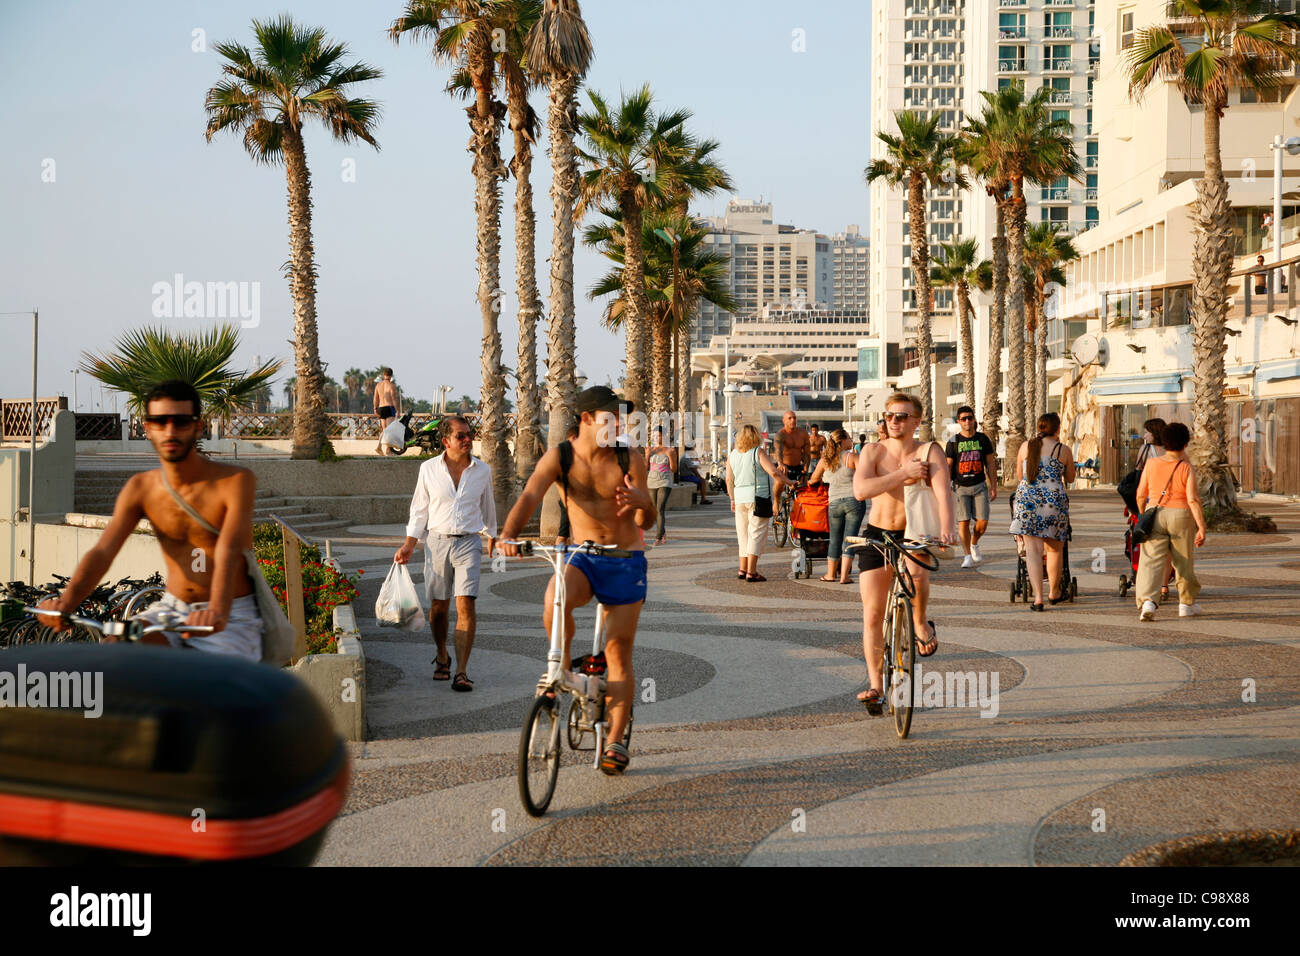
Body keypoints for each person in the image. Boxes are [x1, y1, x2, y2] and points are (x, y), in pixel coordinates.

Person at [38, 380, 265, 659]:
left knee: (213, 692)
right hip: (171, 608)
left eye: (181, 421)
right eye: (159, 421)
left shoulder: (234, 481)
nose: (170, 431)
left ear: (197, 426)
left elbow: (228, 550)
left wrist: (217, 609)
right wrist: (66, 602)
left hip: (229, 616)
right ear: (147, 428)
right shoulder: (141, 488)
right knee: (115, 650)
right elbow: (102, 552)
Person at [499, 386, 654, 775]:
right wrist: (507, 536)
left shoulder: (628, 457)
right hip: (584, 556)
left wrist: (644, 506)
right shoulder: (560, 457)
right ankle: (562, 673)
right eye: (611, 417)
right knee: (555, 596)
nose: (618, 423)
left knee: (618, 652)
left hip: (625, 559)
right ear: (586, 419)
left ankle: (616, 741)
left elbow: (647, 522)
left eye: (620, 417)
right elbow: (530, 496)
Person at [852, 392, 957, 713]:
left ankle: (921, 621)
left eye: (901, 416)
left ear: (916, 421)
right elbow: (860, 491)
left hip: (916, 533)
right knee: (872, 614)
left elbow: (943, 493)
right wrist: (902, 474)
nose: (893, 421)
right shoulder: (872, 452)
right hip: (878, 534)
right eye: (889, 416)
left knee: (917, 575)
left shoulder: (930, 451)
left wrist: (947, 528)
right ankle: (875, 685)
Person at [394, 415, 496, 692]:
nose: (467, 439)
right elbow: (419, 509)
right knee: (439, 608)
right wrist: (409, 544)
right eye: (461, 435)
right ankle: (442, 655)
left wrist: (493, 535)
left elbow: (488, 505)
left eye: (469, 434)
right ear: (446, 441)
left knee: (466, 604)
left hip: (469, 543)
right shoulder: (428, 469)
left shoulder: (482, 470)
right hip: (437, 542)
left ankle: (461, 671)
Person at [1134, 422, 1206, 621]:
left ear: (1164, 442)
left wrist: (1143, 515)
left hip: (1155, 514)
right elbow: (1193, 499)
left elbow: (1141, 495)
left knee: (1150, 561)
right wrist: (1201, 526)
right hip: (1181, 515)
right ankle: (1186, 604)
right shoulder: (1186, 467)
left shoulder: (1152, 464)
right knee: (1183, 561)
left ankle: (1148, 602)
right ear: (1186, 443)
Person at [1009, 412, 1076, 610]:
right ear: (1057, 428)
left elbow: (1020, 476)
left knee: (1033, 551)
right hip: (1053, 503)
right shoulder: (1063, 450)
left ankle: (1038, 598)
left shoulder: (1026, 446)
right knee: (1054, 549)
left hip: (1026, 502)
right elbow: (1071, 478)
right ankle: (1053, 592)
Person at [726, 424, 787, 583]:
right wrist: (789, 481)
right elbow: (773, 472)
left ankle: (742, 569)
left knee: (743, 535)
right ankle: (751, 572)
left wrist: (732, 498)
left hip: (739, 498)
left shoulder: (733, 454)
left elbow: (728, 479)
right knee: (756, 534)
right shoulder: (757, 452)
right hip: (757, 498)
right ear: (756, 436)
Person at [944, 405, 998, 568]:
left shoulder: (982, 439)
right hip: (960, 487)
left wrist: (993, 486)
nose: (967, 421)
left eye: (970, 418)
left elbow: (990, 463)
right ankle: (967, 555)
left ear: (974, 419)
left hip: (980, 485)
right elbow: (948, 466)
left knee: (982, 523)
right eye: (963, 419)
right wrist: (946, 487)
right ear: (959, 421)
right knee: (963, 522)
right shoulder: (953, 441)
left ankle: (974, 543)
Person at [808, 428, 863, 583]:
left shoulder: (825, 460)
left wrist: (821, 480)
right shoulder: (852, 457)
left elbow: (813, 479)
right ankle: (844, 576)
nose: (851, 441)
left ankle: (830, 574)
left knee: (834, 539)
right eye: (849, 438)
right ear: (842, 441)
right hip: (853, 500)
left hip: (834, 502)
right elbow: (865, 474)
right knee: (850, 539)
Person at [645, 428, 678, 546]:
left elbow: (674, 469)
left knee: (660, 508)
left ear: (663, 436)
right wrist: (647, 455)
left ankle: (658, 537)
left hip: (665, 481)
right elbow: (645, 467)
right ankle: (662, 532)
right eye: (653, 436)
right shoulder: (651, 450)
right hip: (652, 481)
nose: (655, 438)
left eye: (657, 435)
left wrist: (669, 456)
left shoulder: (670, 450)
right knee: (655, 510)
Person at [773, 410, 811, 504]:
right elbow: (778, 450)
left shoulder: (803, 433)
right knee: (779, 483)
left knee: (804, 489)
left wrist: (805, 469)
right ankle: (776, 502)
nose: (793, 420)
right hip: (785, 466)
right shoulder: (781, 435)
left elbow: (806, 453)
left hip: (798, 466)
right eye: (789, 418)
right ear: (784, 420)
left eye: (794, 418)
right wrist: (780, 464)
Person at [373, 368, 400, 454]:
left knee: (385, 429)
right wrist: (398, 410)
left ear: (383, 375)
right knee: (389, 430)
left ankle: (384, 448)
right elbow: (394, 398)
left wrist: (375, 408)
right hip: (389, 408)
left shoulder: (378, 385)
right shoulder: (391, 386)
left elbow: (375, 398)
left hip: (381, 408)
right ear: (391, 375)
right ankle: (384, 448)